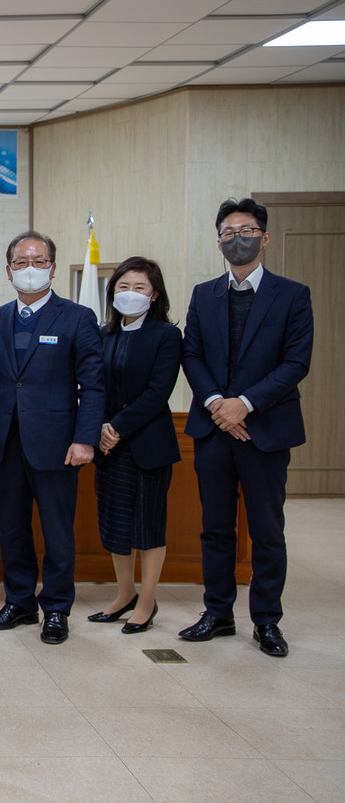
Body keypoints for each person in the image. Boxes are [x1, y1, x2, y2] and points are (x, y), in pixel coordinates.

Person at [180, 198, 313, 657]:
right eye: (229, 233)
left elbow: (296, 362)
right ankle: (217, 613)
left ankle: (267, 621)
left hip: (267, 430)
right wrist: (220, 405)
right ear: (218, 240)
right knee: (215, 529)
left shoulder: (293, 294)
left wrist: (246, 404)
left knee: (266, 530)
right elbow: (191, 356)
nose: (238, 239)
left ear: (265, 236)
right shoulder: (203, 293)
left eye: (247, 230)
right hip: (214, 429)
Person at [0, 231, 104, 645]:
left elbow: (93, 385)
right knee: (12, 527)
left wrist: (86, 438)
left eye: (38, 260)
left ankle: (56, 607)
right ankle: (19, 601)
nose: (29, 267)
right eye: (21, 261)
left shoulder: (77, 317)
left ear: (52, 266)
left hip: (58, 442)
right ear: (9, 268)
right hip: (5, 441)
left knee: (57, 530)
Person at [87, 257, 182, 634]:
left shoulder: (166, 335)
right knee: (116, 524)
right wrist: (99, 428)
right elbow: (91, 385)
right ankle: (124, 593)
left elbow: (159, 392)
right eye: (122, 287)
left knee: (148, 526)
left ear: (154, 294)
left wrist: (117, 428)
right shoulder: (101, 334)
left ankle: (146, 600)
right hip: (107, 446)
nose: (130, 294)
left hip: (147, 444)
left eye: (139, 287)